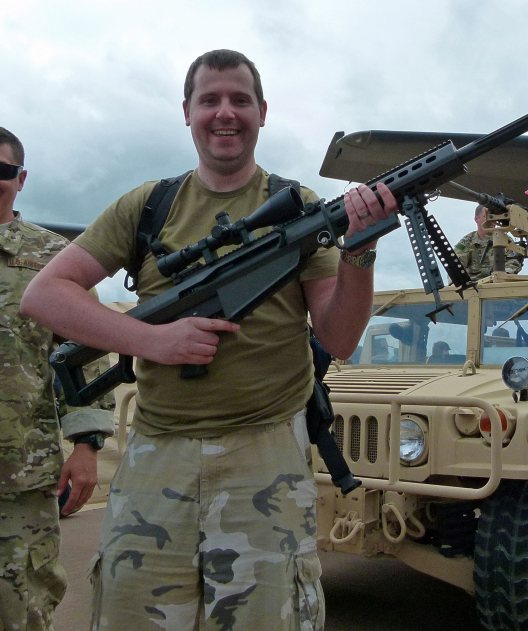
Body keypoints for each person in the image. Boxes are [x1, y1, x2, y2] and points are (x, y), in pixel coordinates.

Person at [20, 50, 399, 630]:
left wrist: (362, 252)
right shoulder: (148, 206)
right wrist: (154, 342)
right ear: (188, 112)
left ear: (263, 112)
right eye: (211, 100)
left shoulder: (297, 209)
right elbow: (45, 295)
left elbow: (340, 337)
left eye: (240, 100)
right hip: (157, 452)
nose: (226, 114)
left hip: (264, 452)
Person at [0, 127, 114, 630]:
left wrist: (87, 445)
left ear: (21, 179)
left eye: (2, 171)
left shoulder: (52, 259)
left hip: (17, 481)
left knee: (21, 608)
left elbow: (86, 355)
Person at [453, 204, 523, 280]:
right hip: (474, 285)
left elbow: (514, 261)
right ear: (477, 219)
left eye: (494, 216)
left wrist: (503, 275)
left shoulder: (505, 239)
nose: (492, 221)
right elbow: (456, 263)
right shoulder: (468, 240)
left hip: (499, 283)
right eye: (487, 216)